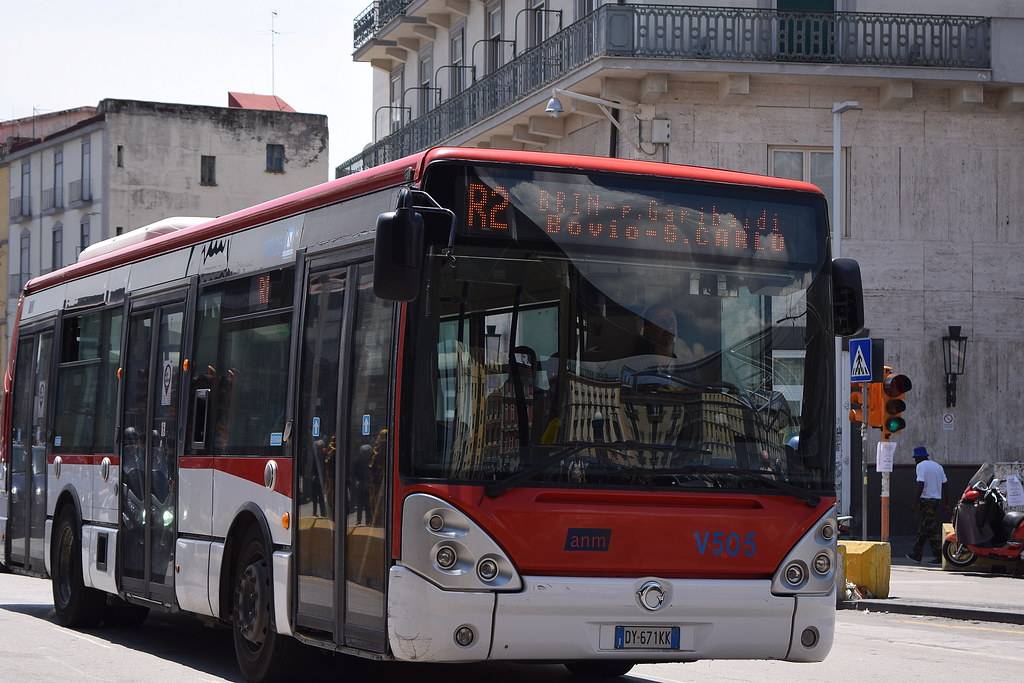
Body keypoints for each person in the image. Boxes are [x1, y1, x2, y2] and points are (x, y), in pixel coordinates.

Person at [907, 446, 947, 564]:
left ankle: (940, 555)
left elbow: (920, 484)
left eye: (915, 459)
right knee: (925, 528)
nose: (915, 461)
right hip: (936, 500)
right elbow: (945, 485)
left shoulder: (920, 466)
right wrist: (946, 503)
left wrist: (915, 502)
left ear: (919, 458)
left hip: (926, 500)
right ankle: (917, 554)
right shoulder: (938, 466)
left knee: (931, 529)